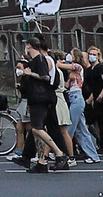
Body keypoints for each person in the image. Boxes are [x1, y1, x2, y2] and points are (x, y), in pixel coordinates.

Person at [11, 40, 65, 172]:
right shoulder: (33, 61)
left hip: (41, 98)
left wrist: (29, 74)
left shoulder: (40, 59)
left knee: (36, 129)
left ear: (30, 46)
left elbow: (45, 77)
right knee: (38, 130)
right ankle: (41, 162)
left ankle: (59, 153)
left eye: (26, 45)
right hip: (35, 98)